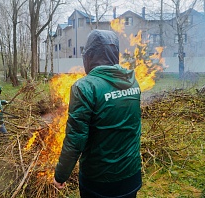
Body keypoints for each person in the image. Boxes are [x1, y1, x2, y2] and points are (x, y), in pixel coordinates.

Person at [53, 29, 142, 198]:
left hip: (99, 182)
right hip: (131, 176)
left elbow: (75, 139)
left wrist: (61, 175)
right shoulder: (132, 83)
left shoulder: (84, 87)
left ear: (89, 56)